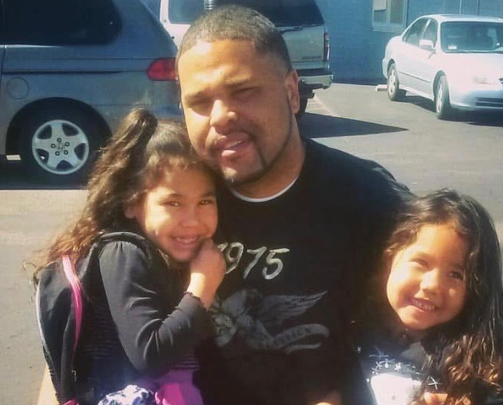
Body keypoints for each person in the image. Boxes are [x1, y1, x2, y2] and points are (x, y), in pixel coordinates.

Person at [175, 5, 412, 405]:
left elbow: (458, 339)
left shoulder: (373, 204)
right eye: (199, 101)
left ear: (291, 92)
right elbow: (90, 318)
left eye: (242, 92)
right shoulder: (168, 204)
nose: (220, 117)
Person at [33, 109, 226, 405]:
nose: (192, 220)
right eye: (173, 203)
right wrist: (203, 287)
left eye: (204, 202)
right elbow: (150, 355)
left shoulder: (166, 254)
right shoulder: (124, 253)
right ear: (131, 204)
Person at [353, 189, 503, 405]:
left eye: (456, 275)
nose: (433, 285)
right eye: (421, 263)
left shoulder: (473, 353)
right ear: (390, 257)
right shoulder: (353, 325)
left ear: (476, 289)